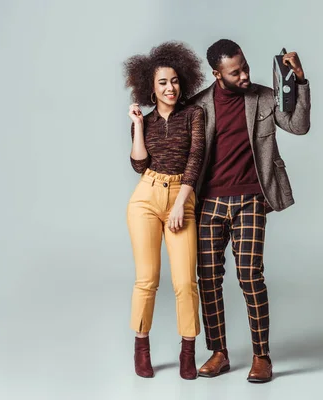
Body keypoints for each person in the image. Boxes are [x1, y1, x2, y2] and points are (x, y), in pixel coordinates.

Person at [190, 39, 311, 383]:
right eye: (235, 72)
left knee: (249, 275)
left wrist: (299, 81)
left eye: (245, 66)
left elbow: (299, 125)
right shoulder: (199, 105)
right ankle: (219, 352)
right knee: (208, 279)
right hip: (208, 203)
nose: (245, 75)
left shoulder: (263, 96)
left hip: (250, 200)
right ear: (217, 74)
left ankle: (262, 356)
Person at [123, 41, 205, 380]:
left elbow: (195, 159)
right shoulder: (146, 119)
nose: (170, 88)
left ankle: (188, 351)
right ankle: (141, 348)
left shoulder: (193, 115)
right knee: (147, 279)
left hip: (180, 197)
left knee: (186, 281)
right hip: (146, 197)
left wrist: (181, 203)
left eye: (174, 81)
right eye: (162, 83)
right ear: (150, 87)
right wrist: (138, 125)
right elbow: (139, 164)